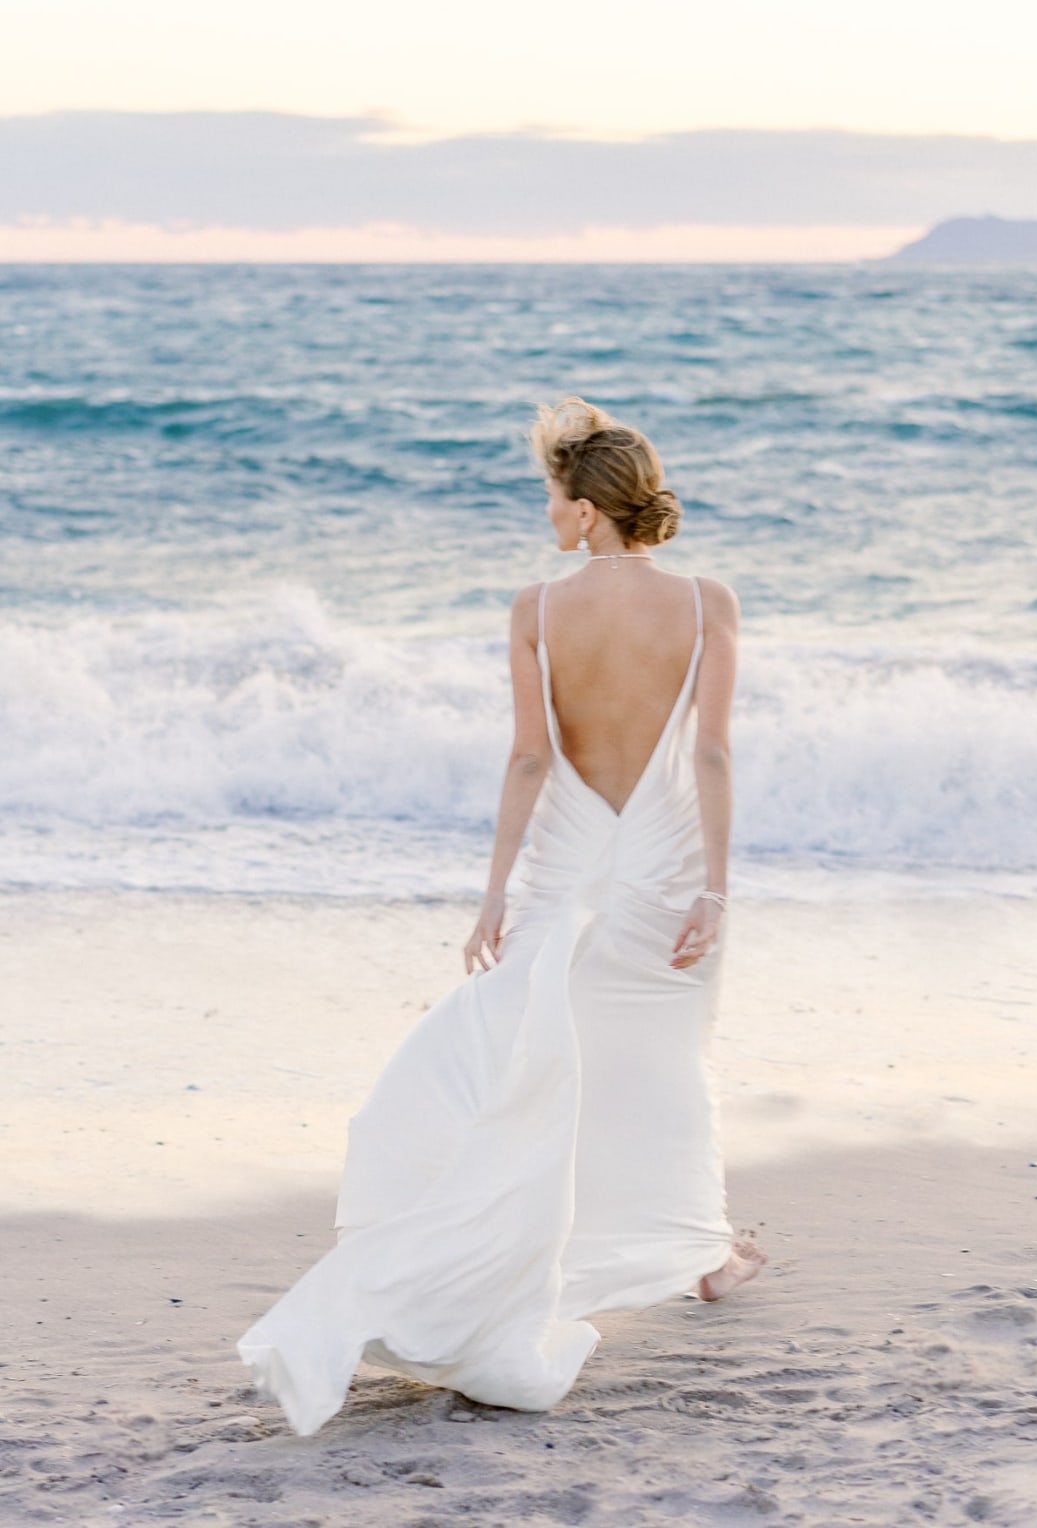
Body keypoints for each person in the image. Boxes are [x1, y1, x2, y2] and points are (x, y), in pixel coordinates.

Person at [236, 397, 766, 1437]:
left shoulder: (536, 609)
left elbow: (529, 756)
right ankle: (706, 1253)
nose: (547, 514)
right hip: (665, 863)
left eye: (551, 499)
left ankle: (660, 1245)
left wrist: (492, 894)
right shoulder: (708, 603)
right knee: (664, 1059)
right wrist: (715, 886)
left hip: (567, 868)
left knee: (525, 1061)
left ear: (582, 511)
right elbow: (710, 753)